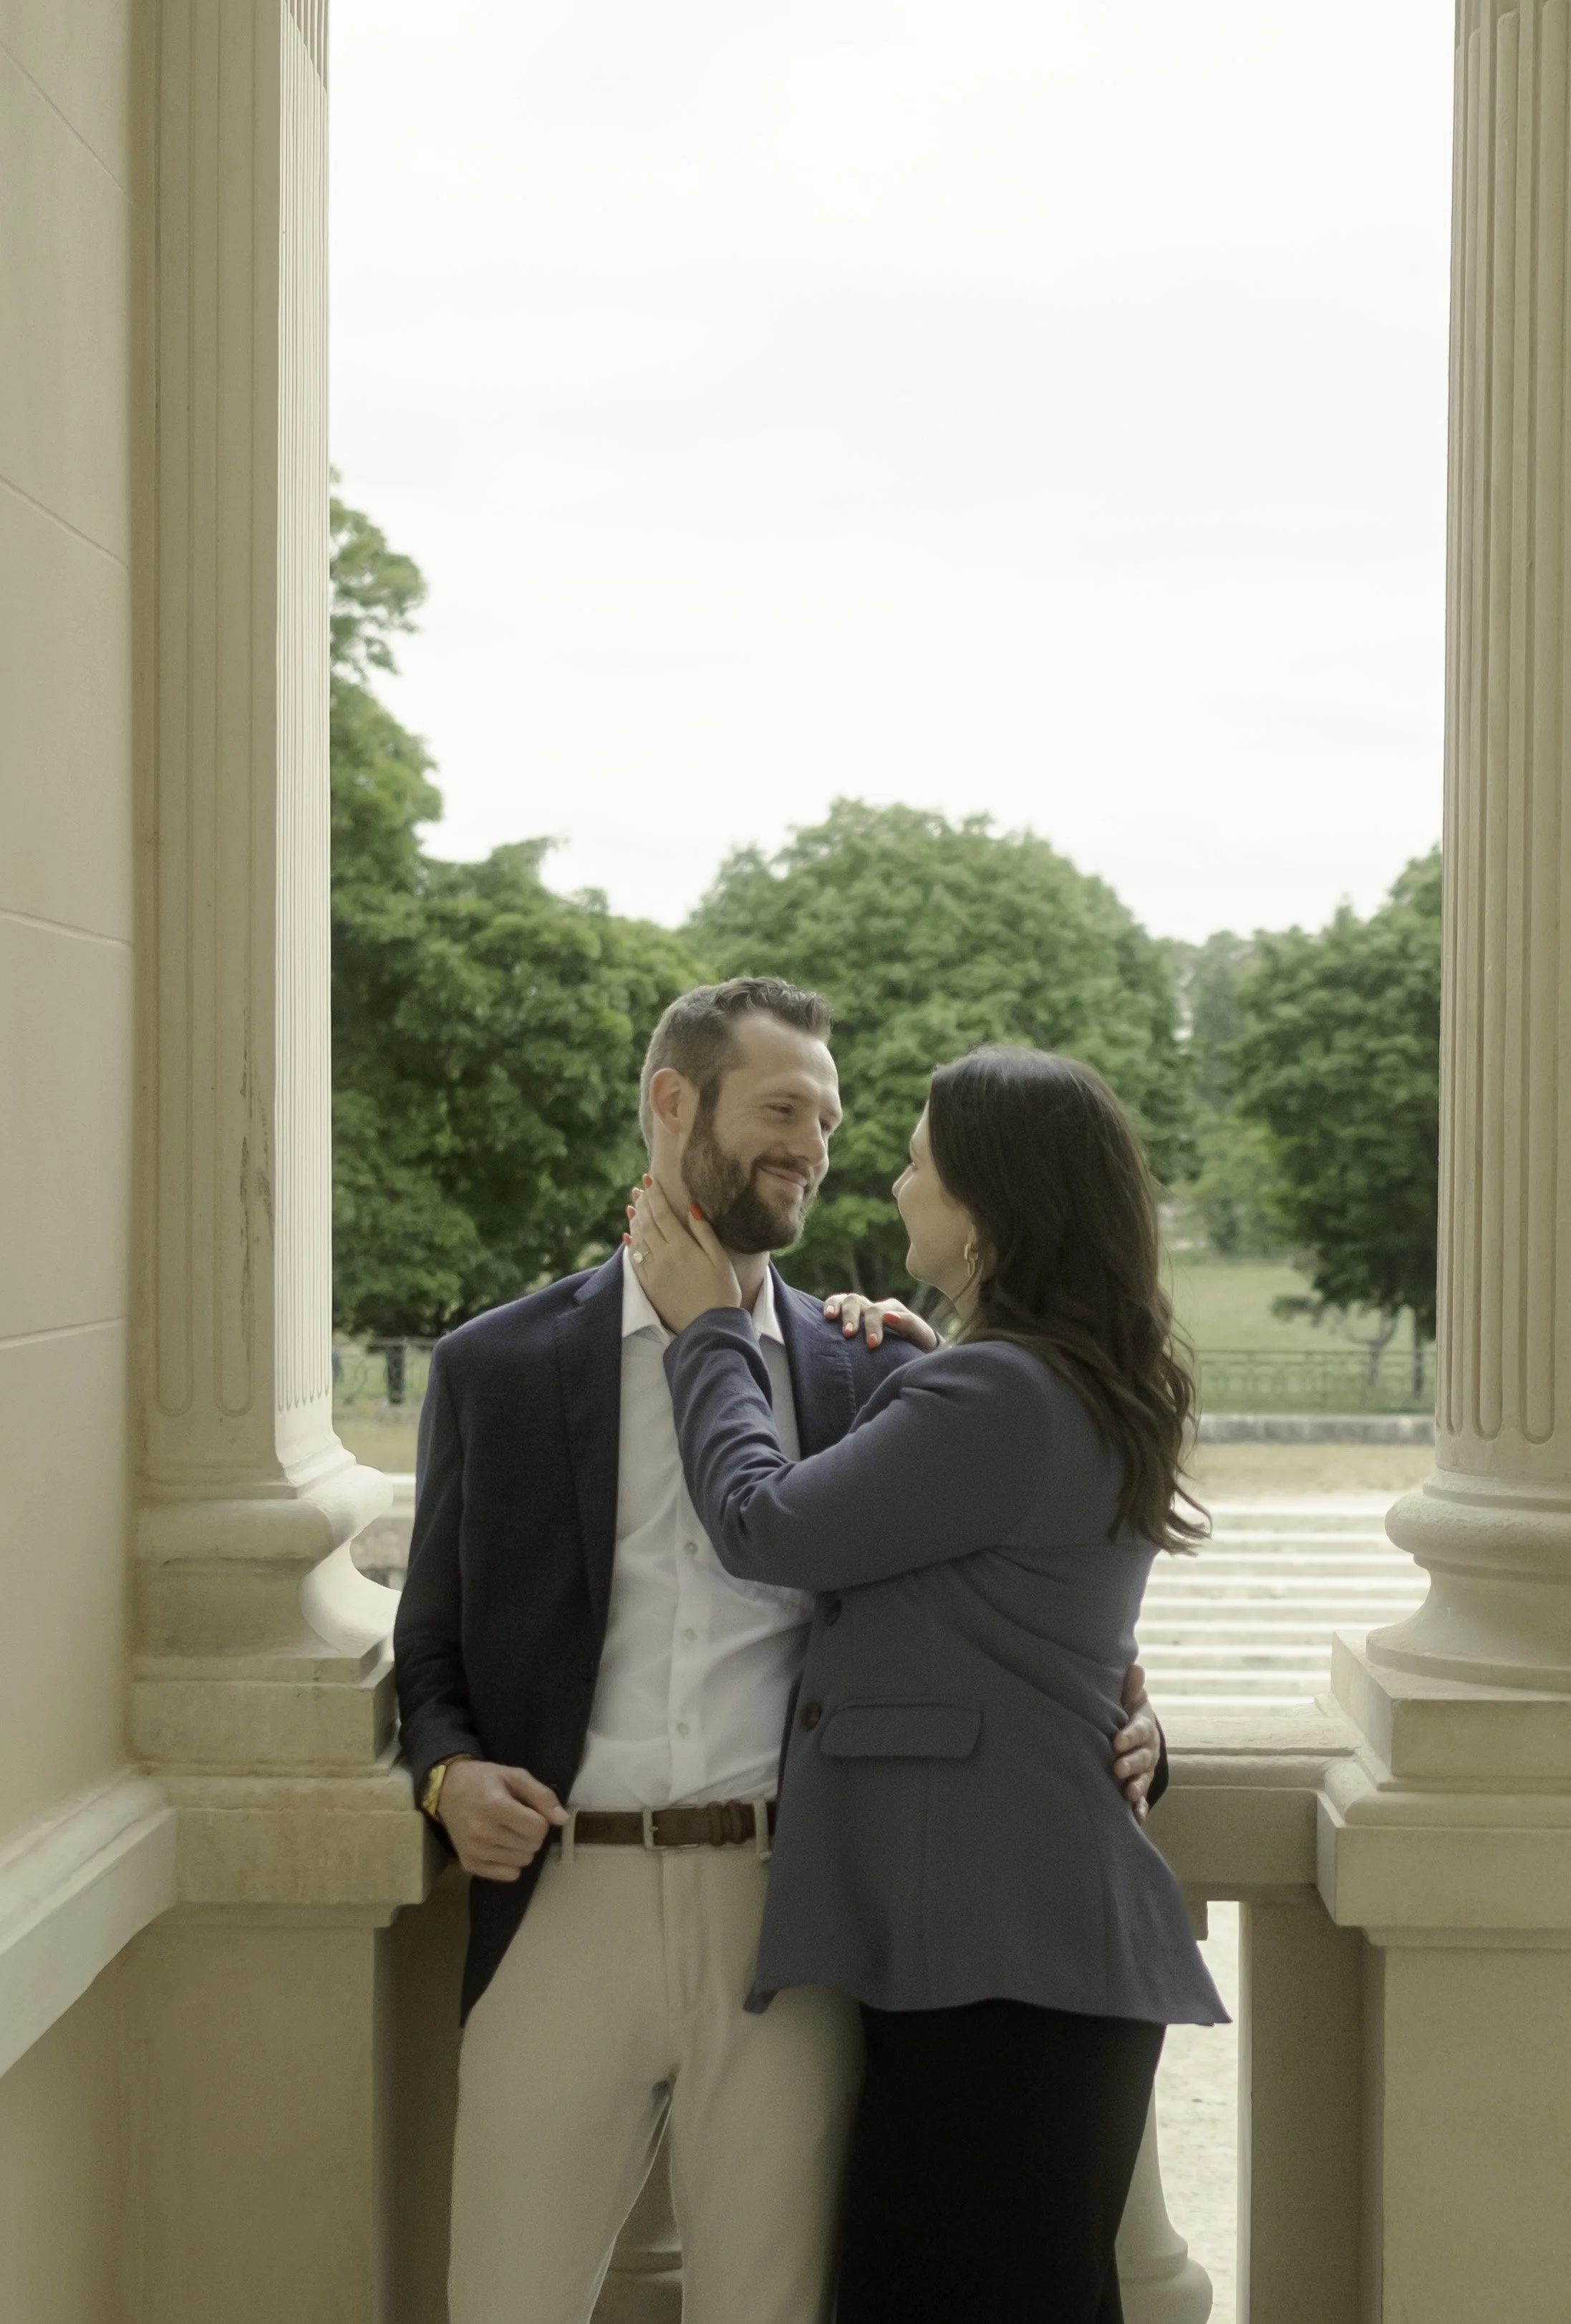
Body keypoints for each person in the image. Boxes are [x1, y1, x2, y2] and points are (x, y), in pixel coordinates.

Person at [394, 980, 1166, 2324]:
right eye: (784, 1109)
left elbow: (1033, 1595)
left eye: (834, 1121)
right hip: (562, 1900)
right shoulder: (494, 1367)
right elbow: (431, 1642)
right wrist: (446, 1774)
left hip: (793, 1920)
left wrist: (1138, 1714)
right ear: (672, 1103)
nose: (816, 1148)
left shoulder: (879, 1370)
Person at [627, 1044, 1224, 2324]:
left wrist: (710, 1334)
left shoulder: (998, 1391)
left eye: (915, 1165)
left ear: (990, 1211)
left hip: (1005, 1966)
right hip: (1016, 1955)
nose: (895, 1187)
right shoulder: (1047, 1377)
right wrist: (912, 1367)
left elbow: (765, 1527)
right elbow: (1016, 1604)